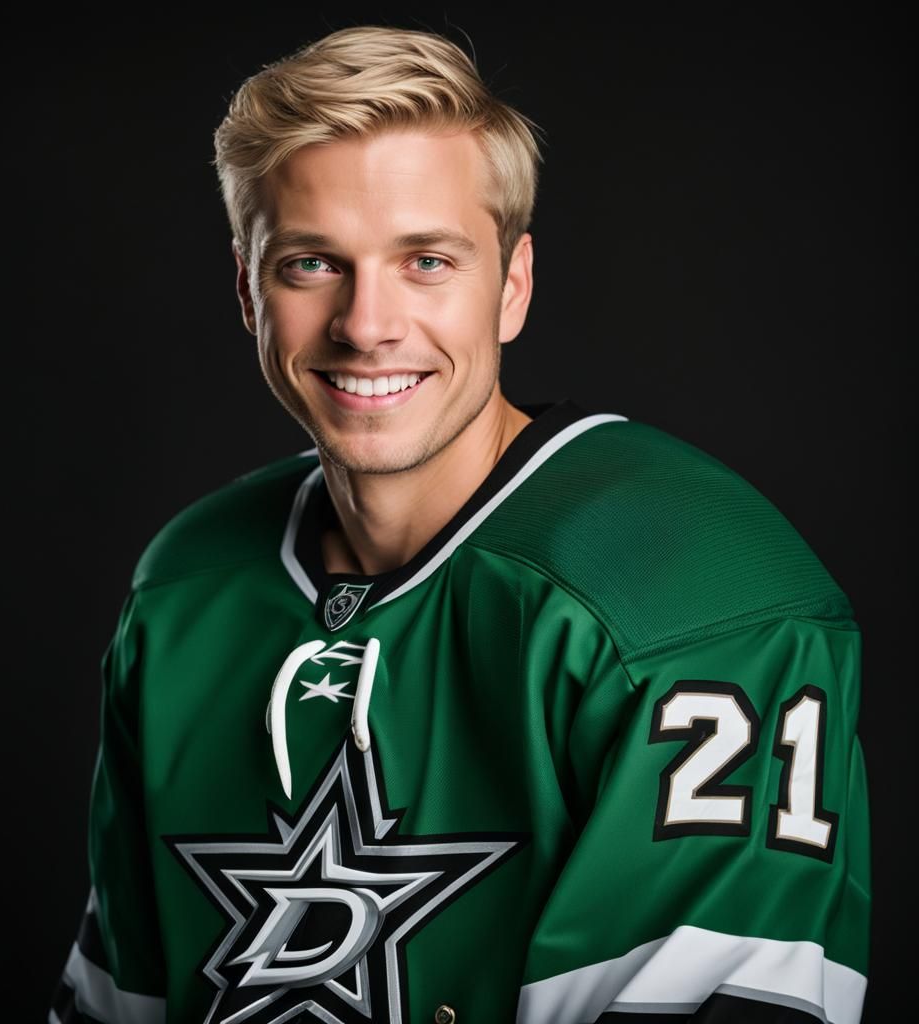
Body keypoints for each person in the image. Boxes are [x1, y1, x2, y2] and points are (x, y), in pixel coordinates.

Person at [50, 24, 870, 1024]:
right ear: (247, 290)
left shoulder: (688, 587)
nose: (366, 325)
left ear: (512, 285)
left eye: (427, 261)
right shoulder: (187, 587)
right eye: (311, 264)